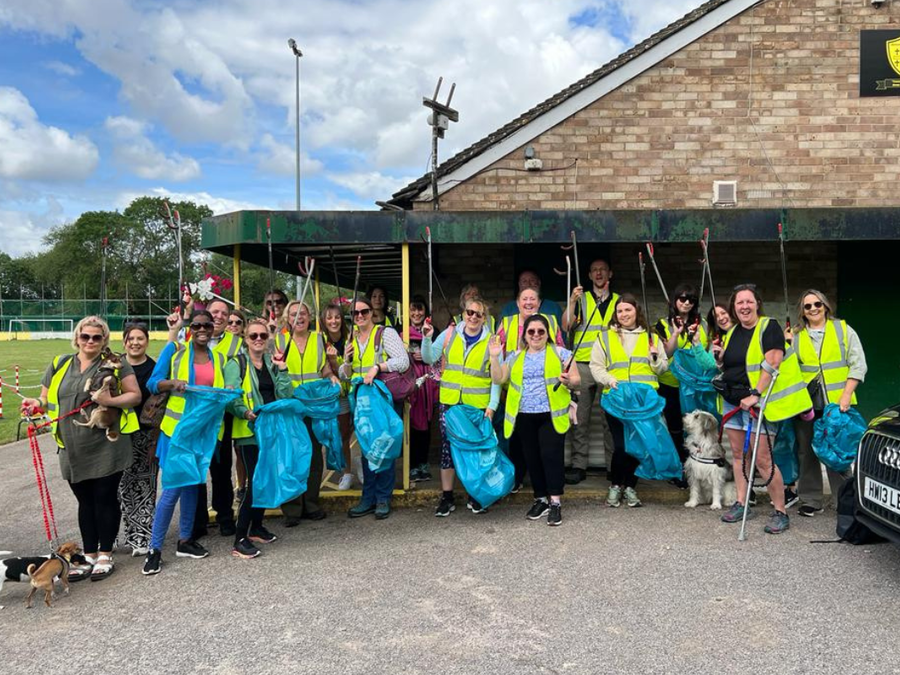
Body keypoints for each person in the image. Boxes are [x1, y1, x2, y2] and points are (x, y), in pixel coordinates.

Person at [21, 317, 141, 581]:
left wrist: (110, 400)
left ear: (104, 341)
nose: (90, 341)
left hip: (107, 444)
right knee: (85, 501)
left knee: (104, 498)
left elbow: (134, 395)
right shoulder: (60, 364)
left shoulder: (116, 366)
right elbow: (45, 398)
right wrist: (35, 404)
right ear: (77, 338)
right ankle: (87, 554)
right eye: (85, 336)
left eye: (97, 337)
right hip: (72, 446)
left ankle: (105, 554)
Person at [713, 284, 812, 535]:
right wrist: (720, 358)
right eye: (739, 303)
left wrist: (755, 394)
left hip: (759, 403)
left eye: (748, 302)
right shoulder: (733, 330)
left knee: (763, 459)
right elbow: (736, 362)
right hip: (733, 400)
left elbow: (773, 361)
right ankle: (742, 502)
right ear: (734, 308)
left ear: (757, 303)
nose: (744, 307)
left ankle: (780, 511)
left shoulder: (769, 327)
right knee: (738, 455)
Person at [142, 310, 229, 575]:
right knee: (172, 490)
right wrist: (172, 383)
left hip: (202, 433)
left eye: (207, 325)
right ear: (190, 328)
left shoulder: (220, 358)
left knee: (193, 484)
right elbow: (152, 383)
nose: (202, 329)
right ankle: (154, 549)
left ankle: (185, 540)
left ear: (213, 328)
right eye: (197, 325)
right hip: (176, 431)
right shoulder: (176, 351)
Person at [489, 314, 579, 526]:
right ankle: (541, 499)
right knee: (532, 457)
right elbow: (498, 378)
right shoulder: (515, 356)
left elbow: (577, 380)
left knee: (551, 455)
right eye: (531, 331)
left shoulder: (561, 353)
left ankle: (555, 501)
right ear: (525, 334)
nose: (536, 335)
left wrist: (568, 381)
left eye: (541, 331)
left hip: (551, 414)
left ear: (548, 334)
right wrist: (494, 357)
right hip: (524, 416)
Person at [788, 289, 867, 517]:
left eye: (817, 304)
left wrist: (845, 395)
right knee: (807, 451)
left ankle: (847, 498)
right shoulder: (796, 335)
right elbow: (788, 369)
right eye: (807, 306)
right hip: (806, 403)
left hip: (837, 403)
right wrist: (785, 344)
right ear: (802, 311)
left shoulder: (843, 329)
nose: (813, 309)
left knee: (837, 450)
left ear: (825, 306)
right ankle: (810, 499)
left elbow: (858, 364)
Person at [422, 296, 500, 516]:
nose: (473, 317)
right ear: (463, 313)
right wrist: (427, 339)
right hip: (450, 403)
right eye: (469, 312)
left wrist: (492, 406)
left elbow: (496, 378)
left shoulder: (491, 341)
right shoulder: (449, 334)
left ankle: (475, 495)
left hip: (477, 405)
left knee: (475, 451)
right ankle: (447, 497)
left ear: (485, 318)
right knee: (447, 448)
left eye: (478, 314)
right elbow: (429, 358)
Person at [589, 294, 668, 508]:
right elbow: (596, 366)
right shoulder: (605, 337)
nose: (624, 314)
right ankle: (616, 485)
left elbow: (662, 368)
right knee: (621, 445)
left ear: (636, 311)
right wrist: (609, 380)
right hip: (616, 399)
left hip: (644, 401)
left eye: (628, 310)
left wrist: (655, 357)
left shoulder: (651, 337)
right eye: (620, 311)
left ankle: (631, 487)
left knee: (639, 445)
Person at [225, 318, 293, 558]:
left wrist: (283, 369)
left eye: (263, 336)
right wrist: (245, 412)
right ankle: (239, 538)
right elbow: (231, 396)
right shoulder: (237, 363)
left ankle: (257, 526)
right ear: (245, 338)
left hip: (270, 430)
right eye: (253, 336)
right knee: (253, 485)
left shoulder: (271, 362)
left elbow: (285, 394)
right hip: (248, 432)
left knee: (265, 480)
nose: (258, 340)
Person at [340, 297, 410, 519]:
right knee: (366, 449)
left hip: (382, 400)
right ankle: (368, 497)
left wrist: (378, 367)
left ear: (372, 313)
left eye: (364, 311)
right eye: (355, 313)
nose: (360, 316)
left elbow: (403, 361)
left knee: (384, 447)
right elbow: (345, 375)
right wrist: (347, 361)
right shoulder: (351, 339)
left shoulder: (385, 333)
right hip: (362, 403)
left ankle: (382, 498)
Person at [276, 301, 338, 526]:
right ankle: (292, 508)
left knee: (313, 456)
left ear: (309, 317)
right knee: (291, 457)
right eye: (293, 314)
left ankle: (311, 503)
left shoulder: (319, 339)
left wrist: (330, 375)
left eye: (302, 313)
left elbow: (323, 368)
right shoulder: (279, 340)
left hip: (314, 406)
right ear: (287, 318)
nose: (298, 318)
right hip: (290, 407)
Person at [497, 286, 564, 490]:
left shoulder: (550, 321)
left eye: (532, 299)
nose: (528, 302)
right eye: (524, 299)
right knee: (516, 439)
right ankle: (517, 479)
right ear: (517, 303)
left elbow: (560, 350)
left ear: (539, 303)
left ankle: (545, 486)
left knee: (544, 446)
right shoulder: (507, 323)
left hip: (547, 395)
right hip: (513, 390)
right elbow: (497, 353)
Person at [562, 258, 618, 485]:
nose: (598, 273)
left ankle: (613, 467)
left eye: (602, 270)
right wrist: (572, 302)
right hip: (583, 364)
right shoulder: (581, 299)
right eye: (594, 270)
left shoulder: (618, 301)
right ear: (589, 275)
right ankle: (578, 466)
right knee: (580, 419)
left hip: (609, 366)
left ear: (610, 274)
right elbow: (566, 326)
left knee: (610, 419)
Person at [192, 297, 242, 540]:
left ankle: (224, 516)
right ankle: (198, 518)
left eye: (224, 312)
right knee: (196, 471)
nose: (220, 316)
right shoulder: (188, 341)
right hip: (194, 417)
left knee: (221, 470)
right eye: (215, 312)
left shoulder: (235, 343)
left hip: (222, 417)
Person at [655, 283, 710, 486]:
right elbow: (665, 354)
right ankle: (679, 469)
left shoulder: (703, 324)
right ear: (674, 300)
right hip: (670, 383)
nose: (686, 302)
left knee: (696, 428)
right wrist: (676, 333)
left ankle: (698, 468)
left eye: (691, 299)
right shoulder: (661, 324)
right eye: (682, 298)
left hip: (695, 384)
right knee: (675, 428)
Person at [118, 322, 158, 557]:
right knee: (119, 487)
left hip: (145, 435)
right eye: (131, 338)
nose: (135, 342)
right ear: (124, 342)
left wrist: (154, 440)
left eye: (140, 338)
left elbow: (159, 406)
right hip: (119, 434)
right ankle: (114, 535)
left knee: (144, 485)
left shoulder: (154, 369)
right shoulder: (114, 366)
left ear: (146, 341)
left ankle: (141, 535)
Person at [322, 300, 355, 490]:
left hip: (348, 393)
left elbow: (346, 372)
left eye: (337, 317)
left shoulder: (350, 339)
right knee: (329, 435)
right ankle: (342, 469)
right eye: (329, 318)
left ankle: (347, 472)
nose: (333, 321)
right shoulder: (319, 340)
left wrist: (336, 360)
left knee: (345, 435)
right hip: (328, 395)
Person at [407, 295, 438, 483]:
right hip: (411, 385)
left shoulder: (433, 331)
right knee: (410, 425)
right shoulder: (400, 332)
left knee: (426, 426)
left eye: (420, 309)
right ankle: (411, 466)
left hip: (428, 384)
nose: (416, 313)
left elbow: (439, 356)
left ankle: (423, 464)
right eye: (413, 309)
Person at [498, 269, 563, 324]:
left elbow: (562, 336)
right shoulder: (509, 308)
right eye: (524, 281)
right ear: (519, 284)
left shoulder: (553, 307)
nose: (528, 284)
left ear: (539, 283)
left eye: (532, 280)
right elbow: (499, 336)